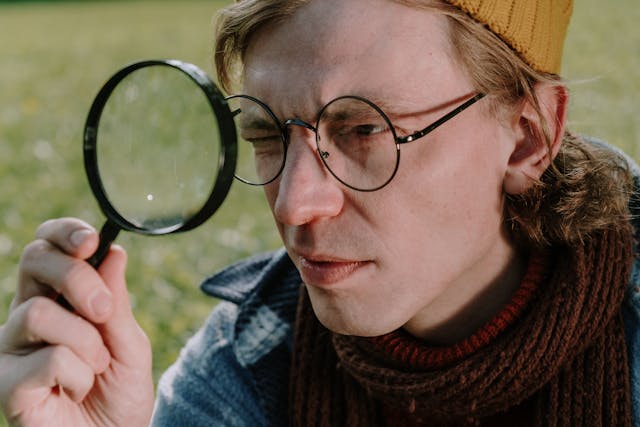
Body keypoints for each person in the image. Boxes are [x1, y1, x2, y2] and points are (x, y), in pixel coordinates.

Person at [1, 0, 639, 425]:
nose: (294, 203)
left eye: (364, 130)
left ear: (529, 134)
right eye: (267, 136)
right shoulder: (244, 363)